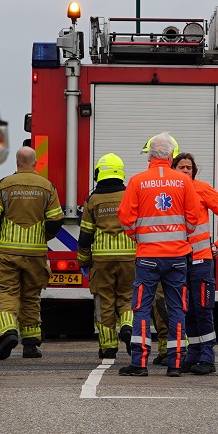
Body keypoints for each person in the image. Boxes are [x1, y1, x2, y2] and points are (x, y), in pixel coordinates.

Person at [116, 133, 203, 377]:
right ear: (171, 156)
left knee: (142, 309)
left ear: (150, 156)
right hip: (177, 257)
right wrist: (181, 233)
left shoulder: (137, 181)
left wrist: (137, 235)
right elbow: (194, 217)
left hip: (147, 257)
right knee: (177, 309)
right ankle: (175, 364)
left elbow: (125, 218)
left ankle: (139, 363)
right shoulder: (183, 181)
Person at [0, 145, 64, 360]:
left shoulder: (4, 184)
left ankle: (8, 332)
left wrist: (0, 233)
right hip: (36, 253)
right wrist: (42, 237)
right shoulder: (47, 187)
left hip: (8, 252)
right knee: (31, 296)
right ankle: (31, 344)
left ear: (17, 163)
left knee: (6, 292)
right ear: (35, 163)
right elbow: (56, 220)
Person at [171, 151, 218, 375]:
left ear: (194, 171)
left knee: (203, 309)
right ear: (173, 170)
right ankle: (193, 354)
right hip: (178, 261)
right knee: (187, 311)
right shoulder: (169, 192)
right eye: (181, 167)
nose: (186, 170)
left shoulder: (202, 189)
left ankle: (208, 357)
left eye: (189, 167)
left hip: (201, 260)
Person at [77, 153, 134, 360]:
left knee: (104, 301)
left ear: (99, 173)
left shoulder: (92, 200)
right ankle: (128, 326)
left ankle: (108, 347)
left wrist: (84, 261)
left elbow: (85, 237)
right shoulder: (130, 196)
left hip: (102, 260)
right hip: (130, 258)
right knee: (128, 296)